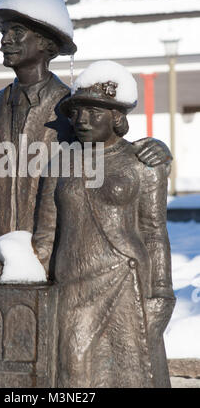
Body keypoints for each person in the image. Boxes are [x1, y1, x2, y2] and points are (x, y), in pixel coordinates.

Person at [0, 0, 172, 279]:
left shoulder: (74, 111)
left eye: (17, 32)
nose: (5, 40)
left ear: (46, 43)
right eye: (4, 32)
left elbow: (113, 154)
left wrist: (157, 151)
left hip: (49, 258)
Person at [32, 61, 175, 388]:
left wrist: (162, 294)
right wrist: (37, 284)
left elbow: (154, 232)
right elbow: (46, 234)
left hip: (127, 285)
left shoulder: (143, 163)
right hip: (73, 289)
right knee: (74, 372)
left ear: (117, 118)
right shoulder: (61, 163)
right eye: (77, 113)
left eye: (94, 113)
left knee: (132, 374)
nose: (82, 121)